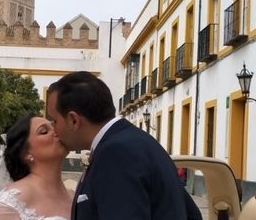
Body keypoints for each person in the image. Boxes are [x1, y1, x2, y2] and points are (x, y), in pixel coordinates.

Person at [46, 71, 202, 220]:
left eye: (55, 121)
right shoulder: (138, 141)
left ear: (73, 120)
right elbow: (192, 215)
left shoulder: (115, 154)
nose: (54, 129)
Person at [0, 113, 73, 220]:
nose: (56, 132)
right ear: (25, 153)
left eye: (54, 126)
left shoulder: (76, 196)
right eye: (44, 131)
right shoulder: (8, 205)